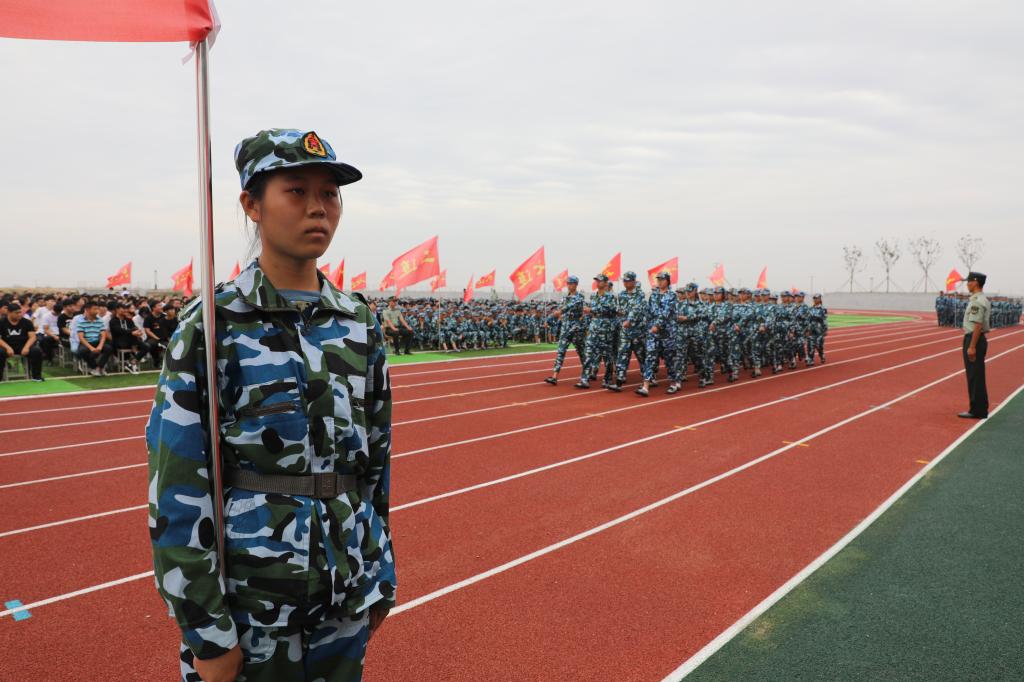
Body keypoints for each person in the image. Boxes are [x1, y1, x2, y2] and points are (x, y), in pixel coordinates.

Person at [146, 128, 395, 682]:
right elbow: (178, 484)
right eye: (296, 191)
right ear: (252, 205)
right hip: (253, 607)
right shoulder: (214, 324)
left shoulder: (358, 322)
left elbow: (375, 465)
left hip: (346, 594)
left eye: (329, 193)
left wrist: (380, 572)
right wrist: (207, 632)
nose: (318, 208)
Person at [958, 271, 991, 419]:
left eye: (969, 281)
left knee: (974, 376)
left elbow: (977, 325)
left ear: (975, 282)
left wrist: (971, 346)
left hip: (974, 339)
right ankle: (980, 408)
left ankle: (977, 410)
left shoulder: (977, 301)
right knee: (976, 375)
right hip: (976, 339)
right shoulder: (981, 299)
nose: (967, 284)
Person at [545, 275, 586, 385]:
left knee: (581, 352)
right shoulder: (565, 297)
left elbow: (569, 306)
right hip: (566, 326)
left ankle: (586, 374)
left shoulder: (580, 297)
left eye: (571, 283)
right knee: (561, 351)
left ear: (576, 284)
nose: (569, 285)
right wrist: (552, 318)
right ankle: (554, 376)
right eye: (568, 283)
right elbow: (560, 310)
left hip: (576, 327)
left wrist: (560, 312)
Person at [0, 303, 44, 381]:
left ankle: (36, 376)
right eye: (17, 313)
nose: (19, 314)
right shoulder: (2, 322)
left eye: (20, 312)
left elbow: (32, 337)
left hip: (23, 346)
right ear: (9, 313)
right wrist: (7, 347)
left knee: (36, 351)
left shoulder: (27, 322)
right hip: (6, 346)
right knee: (0, 352)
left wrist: (26, 347)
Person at [76, 299, 114, 376]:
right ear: (87, 310)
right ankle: (94, 367)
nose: (97, 311)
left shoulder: (100, 320)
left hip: (97, 341)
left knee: (108, 348)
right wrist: (91, 348)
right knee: (83, 351)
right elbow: (81, 338)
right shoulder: (80, 321)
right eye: (95, 309)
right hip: (86, 342)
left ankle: (100, 368)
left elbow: (103, 335)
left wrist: (100, 346)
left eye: (97, 309)